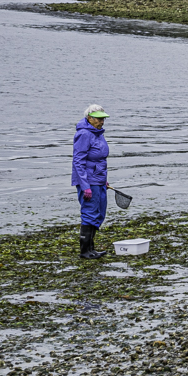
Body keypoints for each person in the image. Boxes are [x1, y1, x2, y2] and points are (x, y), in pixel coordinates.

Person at [72, 104, 111, 260]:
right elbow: (78, 161)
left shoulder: (98, 133)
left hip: (99, 180)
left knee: (99, 213)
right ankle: (85, 251)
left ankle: (92, 249)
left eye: (103, 119)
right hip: (88, 181)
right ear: (89, 118)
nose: (101, 122)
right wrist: (85, 186)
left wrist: (104, 180)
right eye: (98, 119)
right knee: (89, 214)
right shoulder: (84, 134)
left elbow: (100, 160)